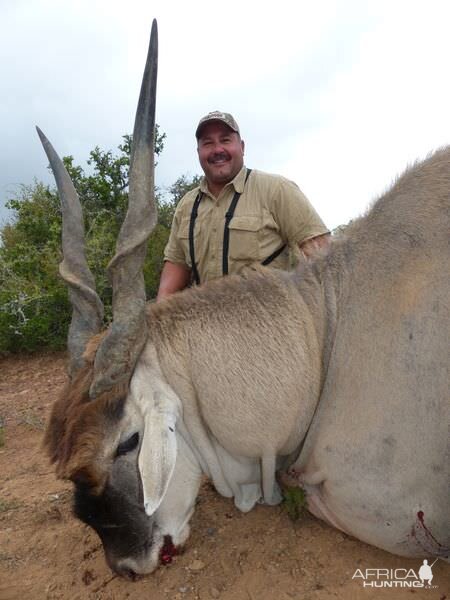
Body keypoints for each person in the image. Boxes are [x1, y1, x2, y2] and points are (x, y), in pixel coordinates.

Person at [157, 111, 330, 301]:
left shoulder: (277, 190)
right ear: (198, 152)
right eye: (208, 143)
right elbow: (171, 281)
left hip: (269, 324)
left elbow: (325, 263)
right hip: (204, 326)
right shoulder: (186, 206)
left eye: (225, 140)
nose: (217, 150)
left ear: (242, 147)